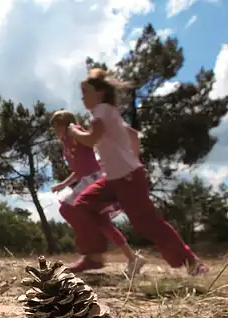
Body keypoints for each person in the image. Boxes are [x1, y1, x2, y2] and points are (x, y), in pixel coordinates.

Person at [62, 68, 209, 276]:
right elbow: (132, 134)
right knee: (83, 205)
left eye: (85, 92)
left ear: (100, 94)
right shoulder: (109, 113)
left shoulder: (103, 110)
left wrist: (73, 131)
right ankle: (93, 257)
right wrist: (134, 158)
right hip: (114, 178)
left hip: (127, 178)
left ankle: (192, 263)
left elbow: (92, 139)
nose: (82, 97)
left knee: (146, 222)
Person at [49, 110, 146, 277]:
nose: (55, 130)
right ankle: (131, 258)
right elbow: (79, 169)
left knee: (70, 210)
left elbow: (90, 139)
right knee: (99, 221)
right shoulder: (67, 142)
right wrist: (64, 183)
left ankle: (93, 255)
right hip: (87, 178)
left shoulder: (74, 131)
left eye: (57, 126)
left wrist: (73, 128)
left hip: (94, 179)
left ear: (65, 124)